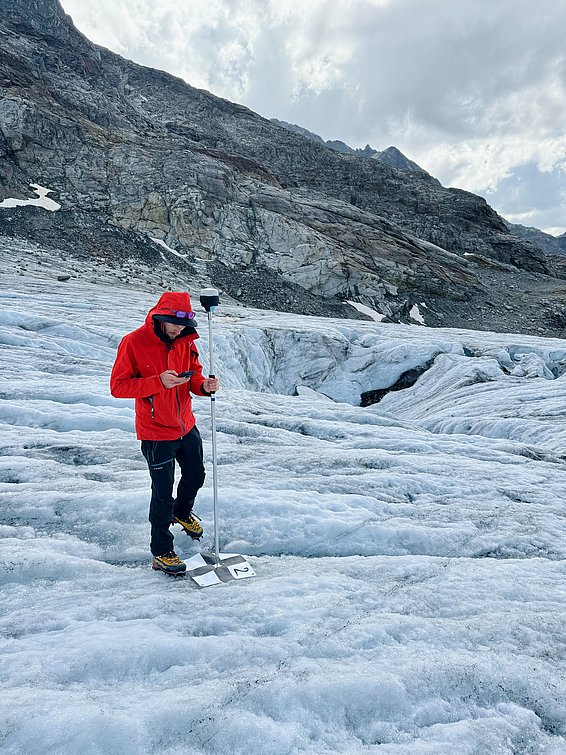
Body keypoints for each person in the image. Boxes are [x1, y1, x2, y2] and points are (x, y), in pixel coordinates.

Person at [110, 291, 220, 576]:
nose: (177, 329)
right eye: (173, 323)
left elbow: (194, 374)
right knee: (162, 492)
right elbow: (118, 387)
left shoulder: (185, 341)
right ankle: (161, 551)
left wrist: (202, 386)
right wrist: (157, 382)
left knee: (196, 475)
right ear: (159, 317)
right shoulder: (133, 342)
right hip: (156, 431)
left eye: (182, 325)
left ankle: (182, 513)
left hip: (185, 423)